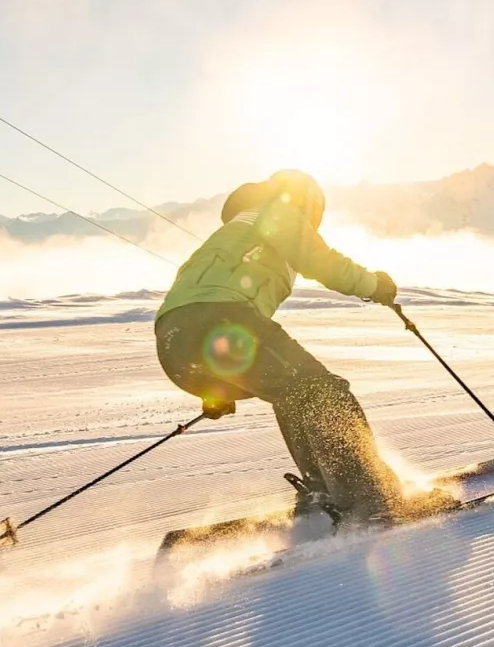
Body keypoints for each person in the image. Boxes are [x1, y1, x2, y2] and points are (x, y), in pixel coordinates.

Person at [154, 169, 402, 522]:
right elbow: (322, 262)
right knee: (323, 391)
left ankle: (322, 493)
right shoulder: (279, 211)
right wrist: (375, 286)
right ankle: (373, 499)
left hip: (173, 343)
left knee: (294, 392)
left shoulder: (230, 232)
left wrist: (214, 387)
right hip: (224, 321)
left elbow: (190, 308)